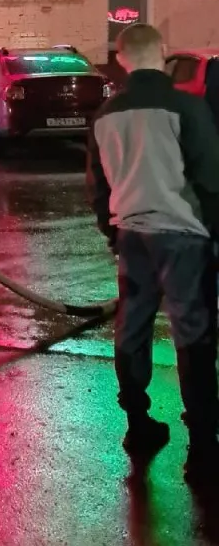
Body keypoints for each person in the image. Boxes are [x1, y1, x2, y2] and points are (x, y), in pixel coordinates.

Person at [87, 23, 219, 475]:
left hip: (132, 236)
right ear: (162, 53)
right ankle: (202, 446)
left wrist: (113, 233)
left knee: (133, 328)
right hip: (184, 237)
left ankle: (138, 424)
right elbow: (211, 178)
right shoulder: (187, 107)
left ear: (122, 60)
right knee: (193, 333)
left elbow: (98, 186)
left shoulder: (105, 115)